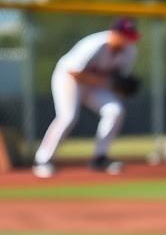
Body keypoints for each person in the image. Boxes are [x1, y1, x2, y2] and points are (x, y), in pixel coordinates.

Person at [32, 17, 140, 178]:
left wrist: (120, 88)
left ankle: (100, 157)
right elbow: (74, 72)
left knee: (115, 111)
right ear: (114, 33)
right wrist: (108, 83)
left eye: (130, 37)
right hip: (67, 79)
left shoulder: (130, 51)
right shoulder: (94, 44)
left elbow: (119, 80)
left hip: (95, 86)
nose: (127, 41)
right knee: (68, 117)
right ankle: (42, 160)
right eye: (125, 36)